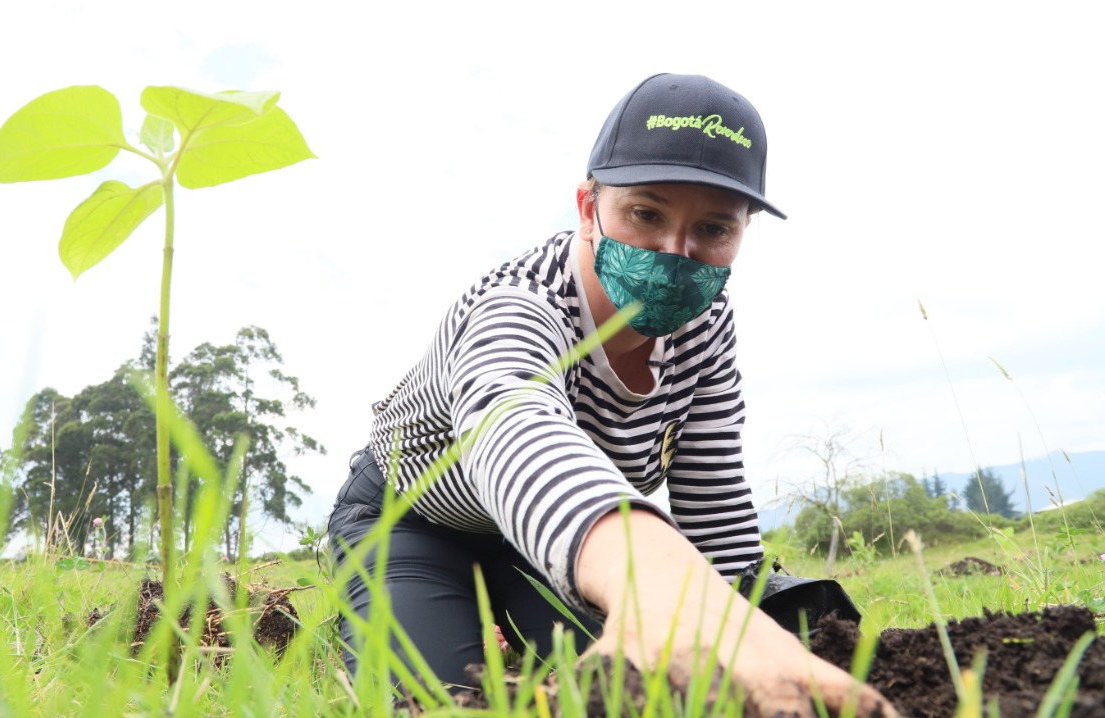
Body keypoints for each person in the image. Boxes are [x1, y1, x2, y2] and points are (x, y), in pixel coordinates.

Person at [329, 73, 894, 716]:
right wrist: (652, 577)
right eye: (645, 213)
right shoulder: (519, 303)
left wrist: (741, 617)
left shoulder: (705, 324)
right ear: (587, 206)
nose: (675, 253)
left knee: (635, 689)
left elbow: (714, 493)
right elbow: (512, 423)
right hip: (415, 522)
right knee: (441, 702)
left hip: (547, 551)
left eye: (713, 229)